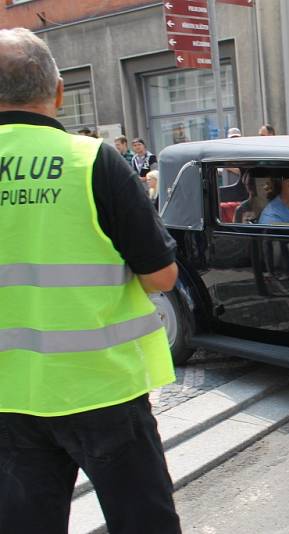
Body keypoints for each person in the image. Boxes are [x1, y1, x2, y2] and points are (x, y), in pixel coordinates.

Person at [0, 28, 180, 533]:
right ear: (58, 92)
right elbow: (162, 275)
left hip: (8, 396)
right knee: (143, 521)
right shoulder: (93, 160)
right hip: (102, 388)